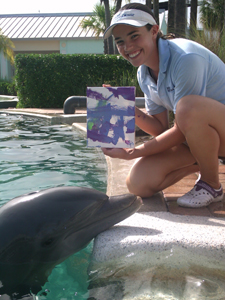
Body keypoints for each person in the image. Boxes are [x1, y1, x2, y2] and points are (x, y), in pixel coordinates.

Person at [101, 2, 225, 208]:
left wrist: (133, 151)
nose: (127, 47)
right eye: (120, 41)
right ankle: (203, 160)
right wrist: (126, 108)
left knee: (188, 108)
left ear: (154, 31)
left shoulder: (186, 59)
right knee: (138, 184)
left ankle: (211, 184)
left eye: (134, 36)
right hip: (205, 138)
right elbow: (160, 128)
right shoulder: (144, 72)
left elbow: (186, 123)